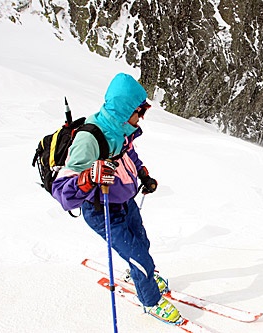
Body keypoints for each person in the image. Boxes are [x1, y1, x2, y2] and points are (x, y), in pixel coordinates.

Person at [52, 73, 182, 324]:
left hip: (125, 201)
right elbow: (63, 192)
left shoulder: (120, 131)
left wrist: (143, 176)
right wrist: (90, 176)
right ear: (124, 110)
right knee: (139, 258)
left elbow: (128, 155)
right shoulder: (90, 138)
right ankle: (151, 301)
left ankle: (141, 274)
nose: (141, 118)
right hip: (102, 210)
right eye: (139, 112)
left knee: (141, 243)